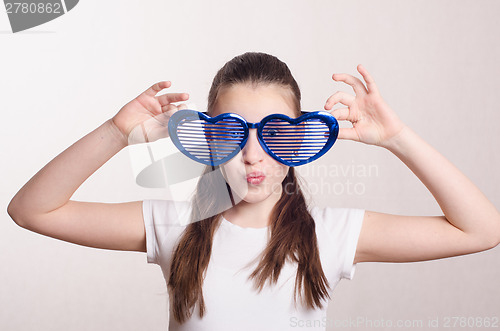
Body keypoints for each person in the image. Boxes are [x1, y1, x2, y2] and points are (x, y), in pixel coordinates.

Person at [8, 52, 500, 331]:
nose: (253, 154)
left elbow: (481, 230)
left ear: (301, 140)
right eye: (231, 132)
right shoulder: (172, 226)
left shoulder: (333, 234)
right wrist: (117, 132)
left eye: (276, 133)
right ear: (207, 139)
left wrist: (397, 139)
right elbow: (31, 210)